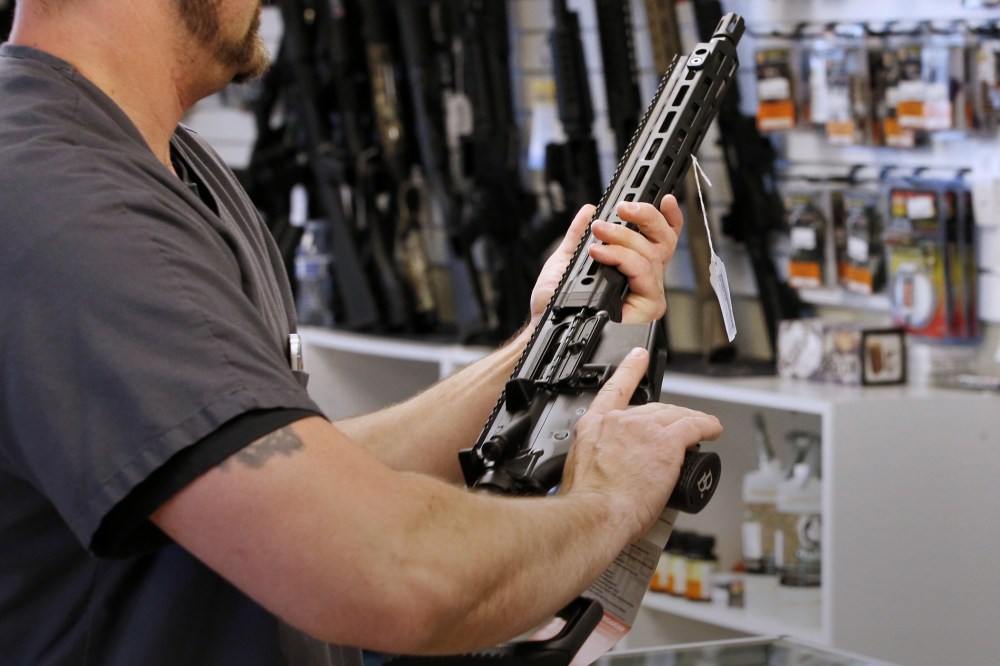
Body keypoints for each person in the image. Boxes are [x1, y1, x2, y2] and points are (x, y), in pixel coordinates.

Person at [0, 1, 723, 664]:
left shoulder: (172, 167)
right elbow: (396, 576)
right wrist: (609, 503)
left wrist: (547, 333)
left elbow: (281, 479)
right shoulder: (65, 201)